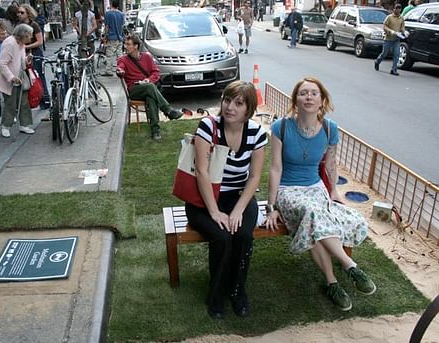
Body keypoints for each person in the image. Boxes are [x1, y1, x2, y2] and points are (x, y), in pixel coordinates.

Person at [265, 77, 376, 311]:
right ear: (295, 99)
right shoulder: (281, 127)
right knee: (312, 212)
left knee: (313, 220)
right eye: (303, 93)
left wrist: (334, 190)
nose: (308, 97)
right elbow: (275, 168)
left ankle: (331, 282)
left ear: (322, 100)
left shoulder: (329, 128)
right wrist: (272, 206)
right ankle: (349, 265)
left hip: (316, 187)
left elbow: (331, 164)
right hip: (288, 190)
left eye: (313, 93)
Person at [186, 80, 267, 319]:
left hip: (237, 197)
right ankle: (216, 294)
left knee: (242, 234)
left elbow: (254, 177)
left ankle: (237, 289)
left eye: (238, 103)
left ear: (248, 109)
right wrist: (214, 211)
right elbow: (201, 171)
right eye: (227, 100)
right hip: (205, 197)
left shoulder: (256, 133)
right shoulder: (208, 127)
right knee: (222, 237)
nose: (230, 107)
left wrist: (238, 210)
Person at [116, 35, 182, 140]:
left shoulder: (147, 57)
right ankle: (168, 111)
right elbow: (120, 68)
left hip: (147, 87)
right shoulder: (123, 59)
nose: (125, 46)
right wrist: (120, 71)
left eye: (128, 44)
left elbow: (155, 72)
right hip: (134, 89)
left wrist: (148, 80)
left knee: (151, 98)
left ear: (136, 46)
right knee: (150, 88)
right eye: (125, 44)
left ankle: (155, 131)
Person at [0, 24, 35, 138]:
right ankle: (5, 126)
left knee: (23, 102)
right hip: (10, 79)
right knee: (11, 103)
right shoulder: (10, 44)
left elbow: (21, 61)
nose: (30, 38)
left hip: (19, 77)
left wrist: (27, 60)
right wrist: (11, 77)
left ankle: (24, 124)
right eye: (29, 36)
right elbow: (2, 63)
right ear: (22, 35)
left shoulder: (21, 44)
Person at [18, 4, 50, 109]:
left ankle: (45, 100)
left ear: (28, 13)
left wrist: (26, 46)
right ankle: (35, 99)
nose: (19, 14)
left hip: (35, 54)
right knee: (30, 78)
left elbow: (40, 41)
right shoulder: (19, 26)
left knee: (38, 76)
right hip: (24, 55)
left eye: (22, 12)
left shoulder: (34, 25)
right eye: (18, 12)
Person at [374, 3, 405, 76]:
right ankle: (377, 62)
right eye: (396, 9)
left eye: (399, 9)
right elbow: (384, 26)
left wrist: (404, 31)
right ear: (394, 9)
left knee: (397, 54)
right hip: (388, 38)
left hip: (396, 39)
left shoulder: (401, 18)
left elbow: (402, 27)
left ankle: (394, 69)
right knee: (384, 53)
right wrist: (390, 31)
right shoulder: (389, 17)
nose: (397, 10)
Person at [102, 0, 125, 76]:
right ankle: (122, 69)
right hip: (120, 37)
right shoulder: (121, 14)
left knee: (109, 55)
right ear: (118, 5)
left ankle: (108, 71)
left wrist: (105, 36)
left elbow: (107, 27)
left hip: (111, 37)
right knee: (120, 55)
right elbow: (122, 26)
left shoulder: (108, 14)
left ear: (111, 4)